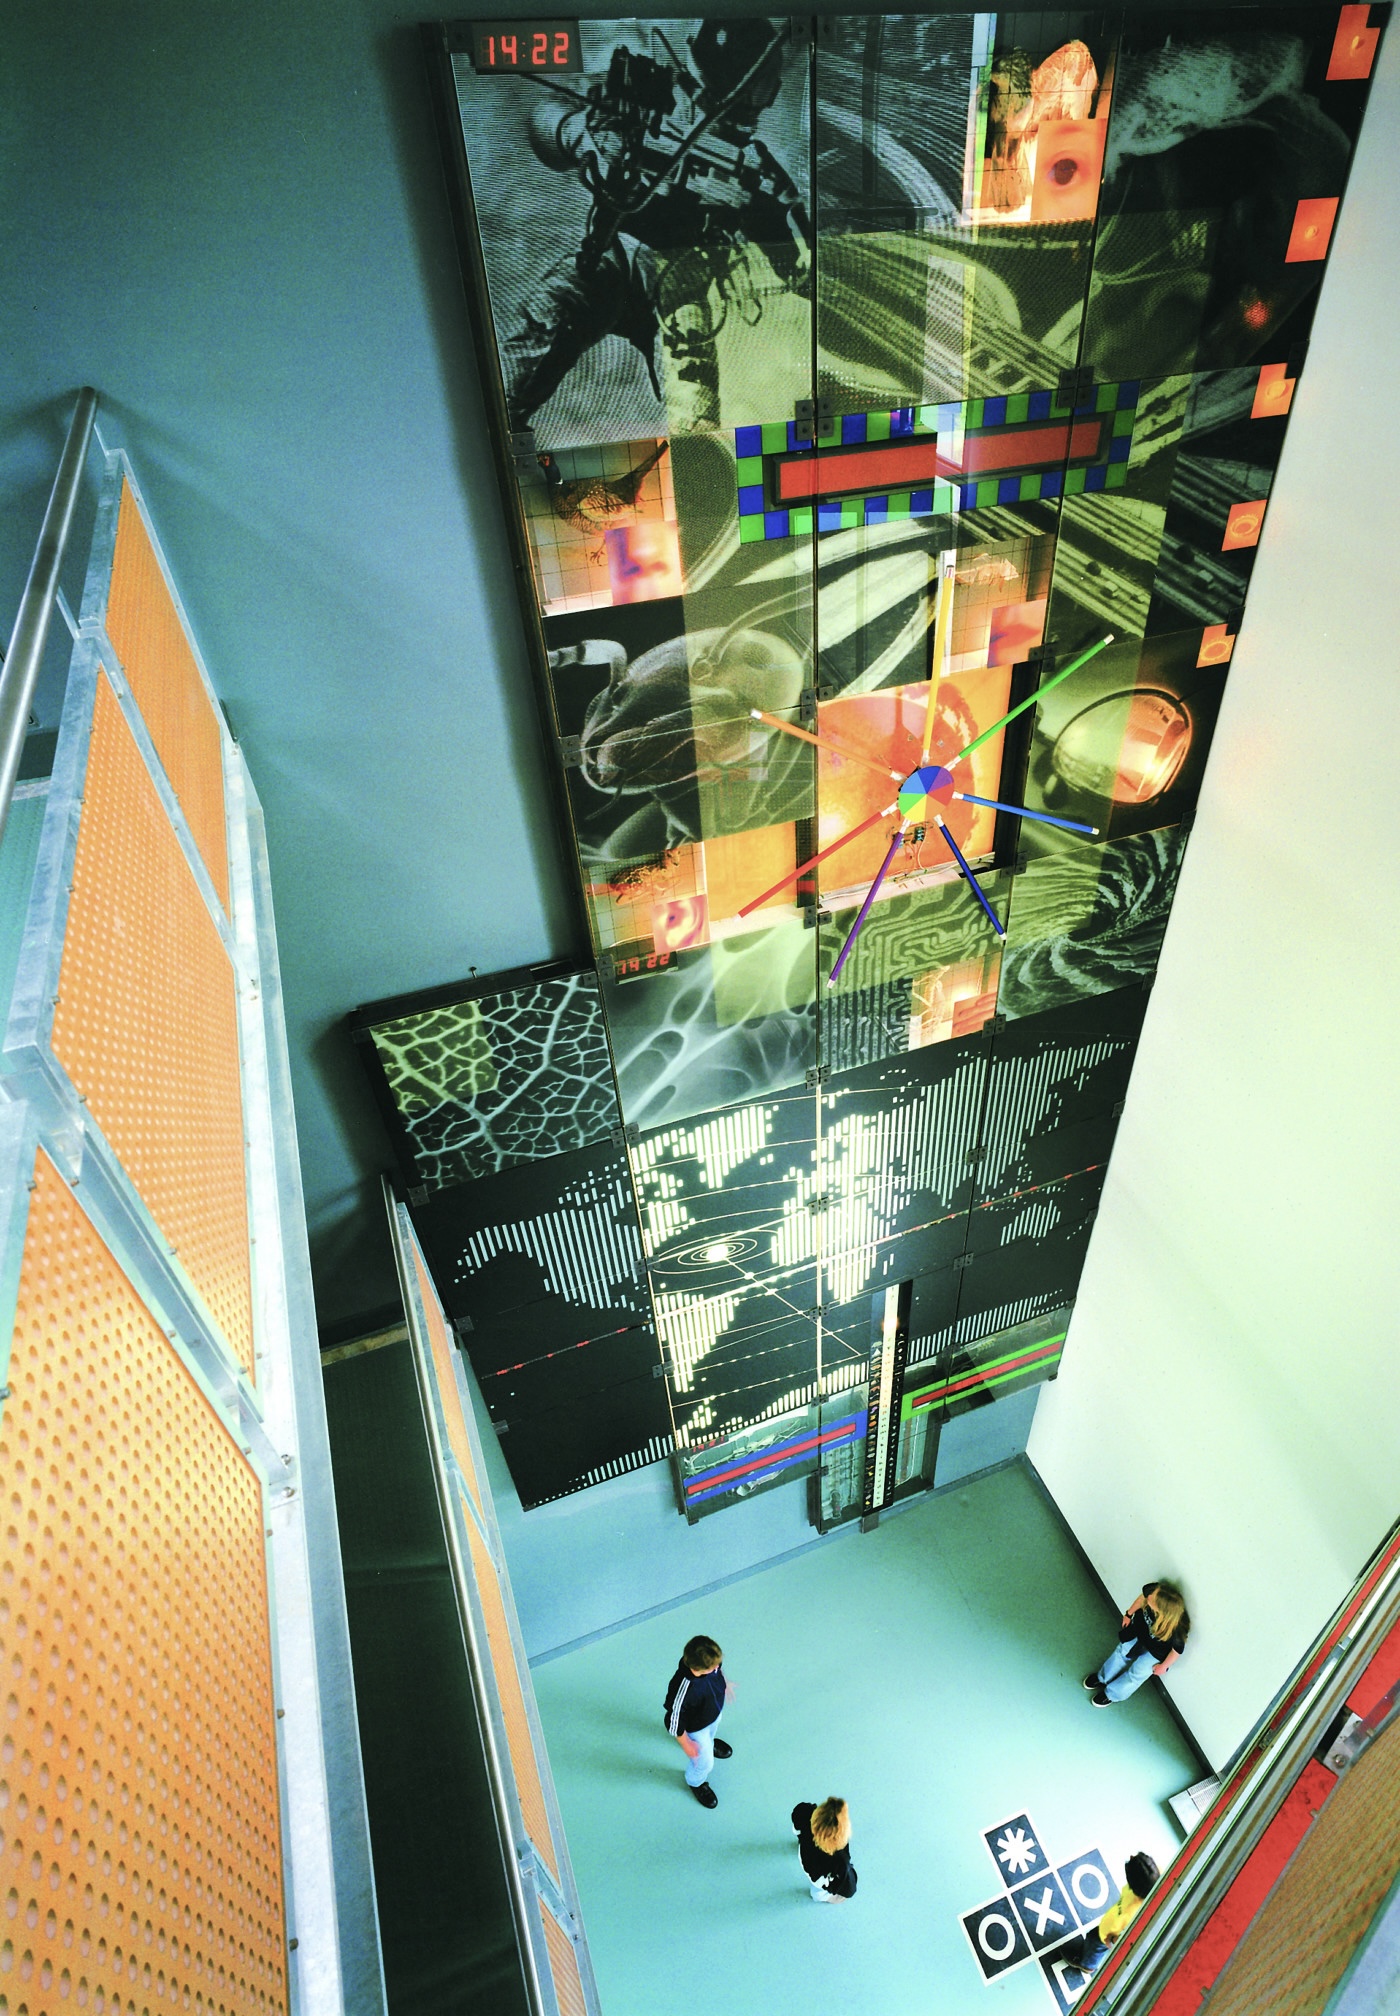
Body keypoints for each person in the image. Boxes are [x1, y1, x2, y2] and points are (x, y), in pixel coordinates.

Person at [1085, 1581, 1190, 1705]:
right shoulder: (1154, 1591)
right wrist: (1128, 1614)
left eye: (1152, 1600)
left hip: (1157, 1651)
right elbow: (1142, 1598)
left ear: (1162, 1611)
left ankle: (1112, 1694)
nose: (1148, 1597)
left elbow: (1176, 1651)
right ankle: (1102, 1677)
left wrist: (1163, 1666)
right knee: (1121, 1652)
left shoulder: (1177, 1628)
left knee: (1137, 1674)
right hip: (1140, 1631)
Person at [663, 1633, 732, 1808]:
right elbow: (673, 1721)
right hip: (695, 1727)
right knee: (706, 1762)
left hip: (712, 1712)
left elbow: (717, 1671)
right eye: (713, 1667)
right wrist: (686, 1743)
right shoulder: (683, 1687)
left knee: (713, 1730)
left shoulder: (711, 1663)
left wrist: (724, 1684)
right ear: (696, 1670)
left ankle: (710, 1743)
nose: (717, 1667)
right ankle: (696, 1782)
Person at [1062, 1851, 1159, 1974]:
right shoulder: (1154, 1879)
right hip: (1111, 1923)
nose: (1130, 1856)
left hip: (1107, 1934)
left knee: (1095, 1944)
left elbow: (1125, 1938)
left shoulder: (1132, 1912)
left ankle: (1087, 1965)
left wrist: (1111, 1940)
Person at [791, 1796, 858, 1902]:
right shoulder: (840, 1861)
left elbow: (796, 1828)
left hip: (803, 1853)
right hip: (819, 1876)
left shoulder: (805, 1812)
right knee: (820, 1889)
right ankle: (821, 1896)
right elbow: (849, 1889)